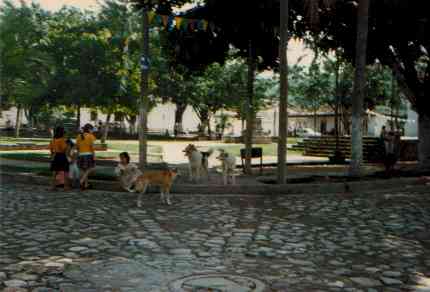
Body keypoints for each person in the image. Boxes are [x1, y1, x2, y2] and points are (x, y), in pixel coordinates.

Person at [49, 126, 70, 191]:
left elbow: (51, 150)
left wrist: (52, 156)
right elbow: (63, 149)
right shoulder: (62, 140)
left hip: (55, 156)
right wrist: (68, 146)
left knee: (54, 172)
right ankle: (65, 187)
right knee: (65, 171)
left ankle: (53, 186)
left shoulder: (53, 140)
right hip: (62, 156)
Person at [76, 123, 96, 190]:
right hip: (88, 155)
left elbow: (77, 147)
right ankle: (82, 180)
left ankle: (86, 184)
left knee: (83, 170)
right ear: (89, 129)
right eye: (92, 129)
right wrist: (94, 156)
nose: (92, 131)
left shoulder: (79, 136)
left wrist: (78, 155)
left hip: (80, 155)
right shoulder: (91, 136)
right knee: (90, 168)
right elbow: (92, 147)